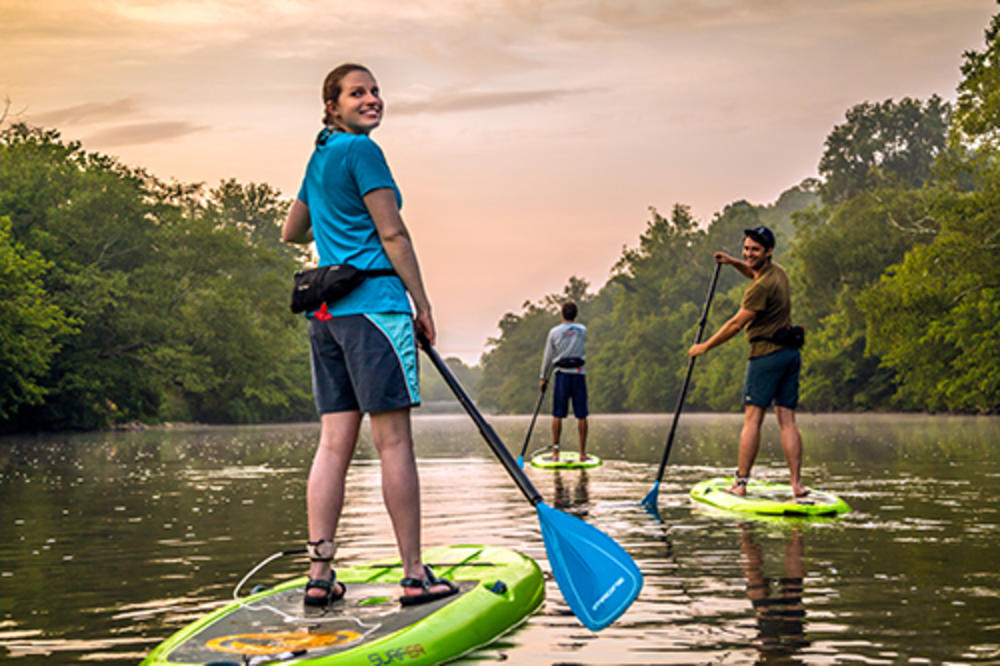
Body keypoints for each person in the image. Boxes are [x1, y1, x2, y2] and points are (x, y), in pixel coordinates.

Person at [281, 63, 457, 607]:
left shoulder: (321, 155)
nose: (372, 99)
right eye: (357, 93)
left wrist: (331, 207)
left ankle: (319, 574)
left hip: (327, 319)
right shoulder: (362, 152)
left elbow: (292, 231)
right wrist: (422, 304)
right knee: (394, 443)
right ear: (332, 106)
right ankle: (413, 575)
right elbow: (392, 231)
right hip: (376, 312)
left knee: (333, 445)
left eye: (376, 90)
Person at [688, 226, 807, 497]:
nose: (749, 253)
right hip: (790, 355)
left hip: (766, 356)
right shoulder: (777, 273)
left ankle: (740, 484)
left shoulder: (759, 288)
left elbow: (735, 325)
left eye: (755, 249)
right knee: (787, 420)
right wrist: (732, 263)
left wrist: (704, 347)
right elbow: (753, 271)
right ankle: (797, 485)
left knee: (752, 419)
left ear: (768, 251)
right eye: (746, 248)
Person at [539, 302, 589, 462]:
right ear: (576, 314)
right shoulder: (582, 330)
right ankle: (582, 453)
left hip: (562, 376)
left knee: (557, 414)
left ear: (562, 314)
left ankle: (555, 453)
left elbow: (548, 356)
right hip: (578, 375)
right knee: (581, 415)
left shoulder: (554, 332)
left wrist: (543, 378)